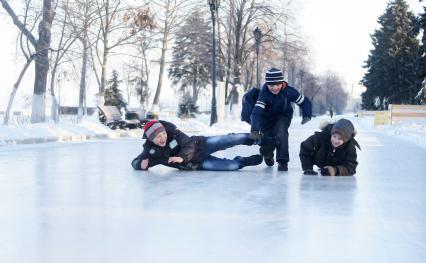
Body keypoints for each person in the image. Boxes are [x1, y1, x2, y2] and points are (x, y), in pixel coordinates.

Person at [131, 119, 263, 171]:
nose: (162, 138)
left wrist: (182, 157)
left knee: (229, 140)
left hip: (201, 145)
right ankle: (244, 161)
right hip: (198, 163)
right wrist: (139, 164)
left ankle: (254, 139)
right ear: (151, 140)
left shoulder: (174, 133)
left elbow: (188, 143)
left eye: (163, 134)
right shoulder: (153, 152)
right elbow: (136, 161)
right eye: (157, 137)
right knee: (231, 166)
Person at [249, 68, 312, 171]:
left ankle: (283, 161)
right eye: (271, 85)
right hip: (266, 120)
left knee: (281, 131)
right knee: (267, 142)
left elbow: (305, 102)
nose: (275, 88)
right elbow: (256, 112)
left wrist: (306, 115)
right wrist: (255, 130)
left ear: (282, 83)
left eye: (277, 85)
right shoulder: (264, 93)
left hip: (283, 116)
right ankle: (268, 154)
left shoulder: (288, 91)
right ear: (267, 84)